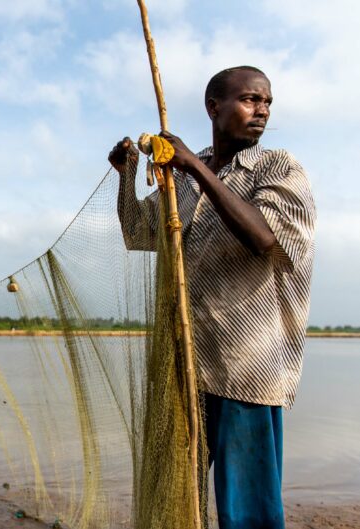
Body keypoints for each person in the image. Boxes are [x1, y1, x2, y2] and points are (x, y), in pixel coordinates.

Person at [109, 66, 315, 529]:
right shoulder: (182, 173)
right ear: (213, 107)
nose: (261, 110)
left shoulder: (279, 168)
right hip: (184, 368)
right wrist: (128, 175)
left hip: (247, 372)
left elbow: (265, 238)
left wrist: (196, 168)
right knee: (177, 496)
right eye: (249, 100)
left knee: (247, 512)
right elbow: (140, 234)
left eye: (266, 102)